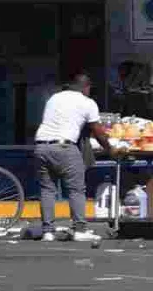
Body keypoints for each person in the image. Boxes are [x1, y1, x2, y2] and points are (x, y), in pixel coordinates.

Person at [33, 72, 122, 242]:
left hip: (41, 146)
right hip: (65, 147)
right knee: (76, 189)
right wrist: (110, 149)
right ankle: (79, 229)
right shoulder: (87, 102)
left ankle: (48, 232)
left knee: (47, 190)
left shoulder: (54, 98)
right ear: (86, 87)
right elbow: (98, 131)